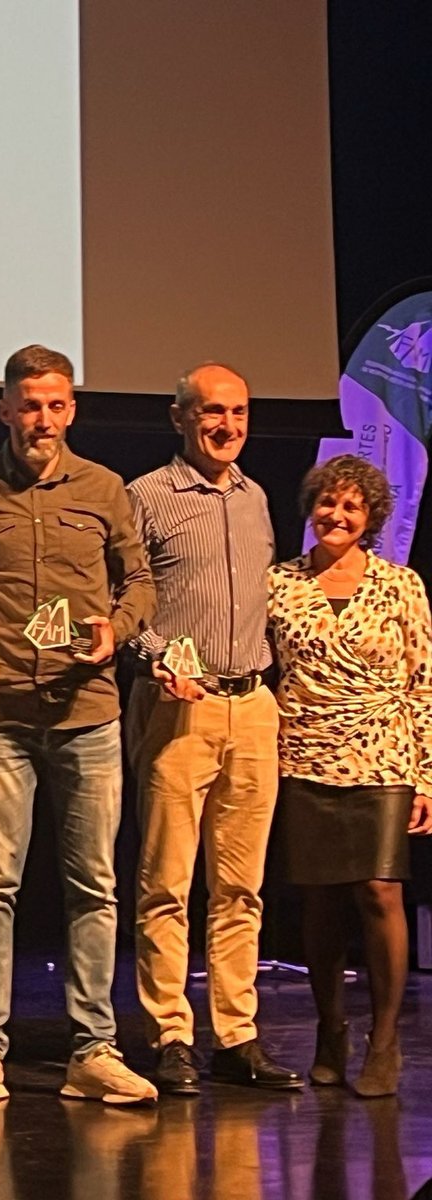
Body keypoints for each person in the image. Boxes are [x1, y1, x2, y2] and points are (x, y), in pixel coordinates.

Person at [0, 344, 158, 1106]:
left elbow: (140, 580)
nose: (43, 419)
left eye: (56, 405)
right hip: (1, 719)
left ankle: (93, 1048)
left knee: (94, 885)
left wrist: (116, 630)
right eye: (30, 405)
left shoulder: (104, 487)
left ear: (72, 410)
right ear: (5, 410)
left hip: (87, 712)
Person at [125, 364, 301, 1094]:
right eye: (211, 412)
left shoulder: (256, 498)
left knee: (241, 887)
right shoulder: (146, 496)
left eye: (238, 413)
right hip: (178, 707)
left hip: (252, 705)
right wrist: (154, 657)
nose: (227, 426)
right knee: (166, 881)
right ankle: (170, 1032)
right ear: (180, 419)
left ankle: (236, 1034)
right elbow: (122, 600)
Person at [267, 454, 432, 1098]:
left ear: (371, 518)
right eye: (328, 503)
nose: (337, 515)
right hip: (305, 751)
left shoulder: (401, 585)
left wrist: (426, 776)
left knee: (379, 890)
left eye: (352, 507)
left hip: (384, 751)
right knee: (322, 899)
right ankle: (330, 1031)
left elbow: (422, 684)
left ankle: (384, 1041)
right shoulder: (279, 583)